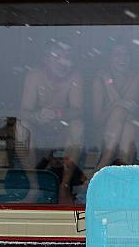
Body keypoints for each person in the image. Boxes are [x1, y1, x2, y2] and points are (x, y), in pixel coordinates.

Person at [18, 39, 84, 205]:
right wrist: (38, 115)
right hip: (40, 134)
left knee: (78, 126)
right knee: (21, 127)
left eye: (67, 57)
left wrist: (59, 113)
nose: (63, 62)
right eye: (58, 57)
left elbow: (78, 110)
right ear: (46, 59)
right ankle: (33, 186)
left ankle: (65, 185)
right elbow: (24, 111)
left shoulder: (75, 76)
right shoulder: (34, 75)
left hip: (62, 133)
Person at [92, 43, 139, 171]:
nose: (122, 59)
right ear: (109, 58)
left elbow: (127, 107)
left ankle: (103, 166)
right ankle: (122, 174)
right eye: (117, 55)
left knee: (128, 125)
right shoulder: (98, 81)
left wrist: (108, 83)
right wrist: (115, 105)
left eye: (126, 55)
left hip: (133, 133)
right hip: (104, 134)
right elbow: (97, 121)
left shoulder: (136, 76)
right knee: (123, 118)